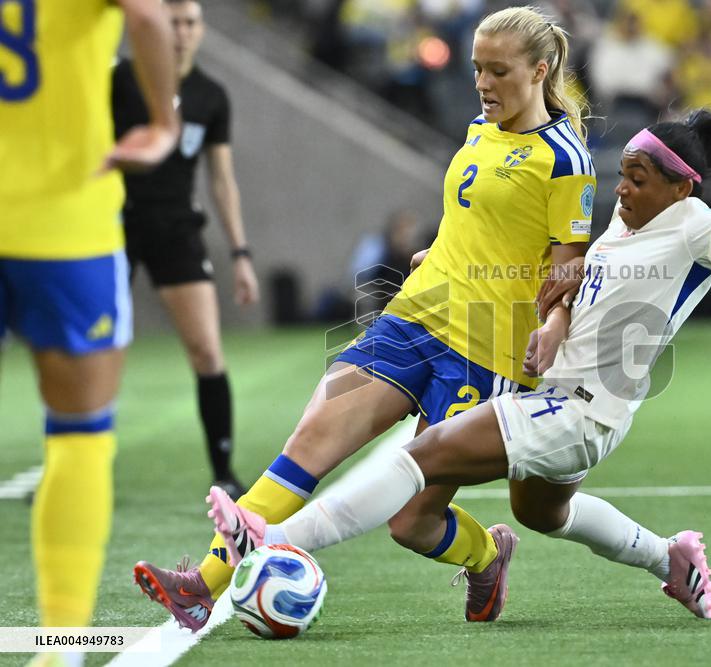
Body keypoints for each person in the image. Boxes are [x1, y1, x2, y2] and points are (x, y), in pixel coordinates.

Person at [204, 110, 711, 621]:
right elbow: (556, 280)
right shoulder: (622, 228)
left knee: (422, 452)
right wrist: (493, 286)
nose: (621, 188)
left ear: (682, 184)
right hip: (567, 405)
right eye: (621, 172)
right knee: (530, 513)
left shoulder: (700, 229)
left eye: (637, 177)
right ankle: (672, 559)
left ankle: (276, 538)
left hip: (577, 410)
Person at [134, 5, 601, 630]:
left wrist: (555, 325)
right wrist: (437, 253)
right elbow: (483, 220)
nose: (483, 84)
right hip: (414, 319)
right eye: (476, 70)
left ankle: (488, 553)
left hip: (488, 353)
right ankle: (203, 587)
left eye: (498, 71)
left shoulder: (566, 158)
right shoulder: (478, 130)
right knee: (307, 446)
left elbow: (569, 264)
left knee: (411, 523)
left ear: (541, 71)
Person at [0, 0, 178, 658]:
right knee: (79, 432)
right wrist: (162, 122)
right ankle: (61, 642)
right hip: (63, 219)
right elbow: (149, 15)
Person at [112, 0, 259, 497]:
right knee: (92, 351)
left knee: (206, 350)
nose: (181, 32)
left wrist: (241, 254)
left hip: (176, 230)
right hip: (113, 228)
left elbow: (222, 179)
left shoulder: (210, 95)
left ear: (201, 29)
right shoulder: (120, 80)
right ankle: (72, 465)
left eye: (190, 22)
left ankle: (223, 470)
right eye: (171, 21)